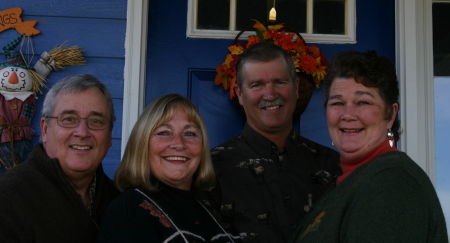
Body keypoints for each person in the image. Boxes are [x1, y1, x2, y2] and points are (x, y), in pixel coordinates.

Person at [289, 50, 448, 242]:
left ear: (390, 114)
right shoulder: (354, 179)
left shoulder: (392, 183)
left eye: (363, 102)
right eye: (337, 103)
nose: (347, 115)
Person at [211, 43, 342, 242]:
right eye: (257, 85)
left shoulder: (332, 164)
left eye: (280, 82)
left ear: (296, 87)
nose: (270, 95)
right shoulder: (211, 168)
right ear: (239, 93)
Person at [98, 94, 243, 243]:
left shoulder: (209, 207)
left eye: (190, 133)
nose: (179, 144)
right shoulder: (129, 212)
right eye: (164, 133)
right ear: (142, 144)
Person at [0, 74, 120, 243]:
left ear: (109, 136)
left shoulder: (119, 202)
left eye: (96, 121)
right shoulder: (8, 199)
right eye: (69, 119)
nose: (82, 132)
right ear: (44, 129)